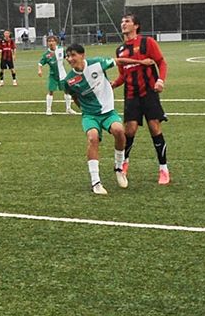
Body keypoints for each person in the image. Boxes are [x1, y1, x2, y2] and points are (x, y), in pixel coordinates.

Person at [62, 43, 154, 195]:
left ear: (82, 55)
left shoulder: (97, 63)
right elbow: (74, 96)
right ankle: (96, 182)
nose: (70, 58)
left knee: (119, 131)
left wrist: (141, 62)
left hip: (107, 112)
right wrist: (84, 110)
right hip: (90, 115)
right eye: (68, 56)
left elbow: (119, 61)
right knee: (93, 138)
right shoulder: (69, 80)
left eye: (73, 55)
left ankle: (119, 168)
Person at [112, 13, 171, 184]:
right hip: (131, 94)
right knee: (129, 130)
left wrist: (160, 80)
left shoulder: (147, 42)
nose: (123, 24)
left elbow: (161, 62)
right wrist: (113, 84)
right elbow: (123, 75)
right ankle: (124, 163)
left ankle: (163, 169)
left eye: (127, 21)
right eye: (122, 21)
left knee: (154, 128)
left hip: (149, 93)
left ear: (136, 25)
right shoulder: (120, 50)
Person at [37, 34, 77, 115]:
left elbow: (67, 57)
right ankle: (48, 109)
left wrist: (71, 61)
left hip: (63, 75)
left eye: (52, 41)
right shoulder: (46, 54)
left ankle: (68, 108)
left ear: (56, 42)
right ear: (47, 43)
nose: (51, 43)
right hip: (53, 76)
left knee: (67, 91)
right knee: (50, 91)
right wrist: (39, 71)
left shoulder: (61, 50)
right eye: (49, 41)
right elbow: (40, 63)